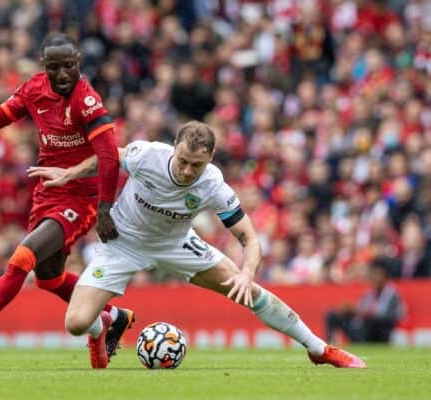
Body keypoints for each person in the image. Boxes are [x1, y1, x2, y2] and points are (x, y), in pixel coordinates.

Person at [28, 121, 367, 369]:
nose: (188, 170)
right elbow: (108, 158)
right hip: (123, 243)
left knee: (251, 292)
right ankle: (101, 326)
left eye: (197, 164)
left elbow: (250, 237)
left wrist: (247, 273)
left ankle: (319, 348)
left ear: (211, 156)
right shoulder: (148, 155)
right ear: (174, 148)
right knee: (75, 323)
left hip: (177, 244)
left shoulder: (212, 184)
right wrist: (70, 173)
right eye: (183, 161)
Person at [0, 33, 134, 360]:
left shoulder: (87, 100)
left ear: (78, 62)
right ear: (45, 67)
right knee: (49, 280)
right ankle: (110, 317)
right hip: (46, 194)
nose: (64, 74)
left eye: (69, 66)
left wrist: (105, 208)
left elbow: (109, 156)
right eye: (55, 68)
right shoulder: (34, 89)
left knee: (22, 258)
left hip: (79, 198)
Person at [326, 259, 405, 344]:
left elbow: (381, 314)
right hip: (364, 324)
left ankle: (360, 340)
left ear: (385, 277)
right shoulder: (369, 293)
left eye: (378, 274)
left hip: (382, 329)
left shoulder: (391, 293)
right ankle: (331, 343)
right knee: (333, 315)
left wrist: (357, 312)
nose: (375, 278)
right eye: (373, 275)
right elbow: (360, 309)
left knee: (370, 321)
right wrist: (350, 311)